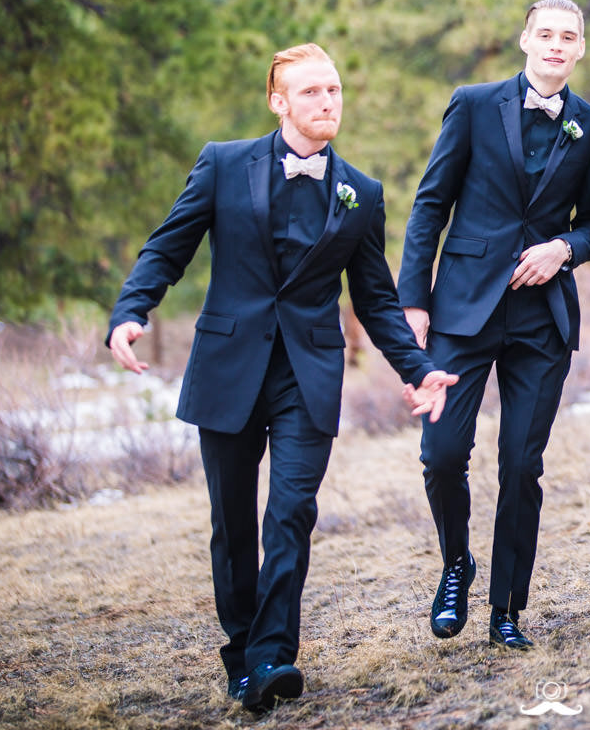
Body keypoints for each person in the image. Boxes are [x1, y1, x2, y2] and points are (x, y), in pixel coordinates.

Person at [106, 43, 458, 713]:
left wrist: (419, 369)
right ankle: (241, 657)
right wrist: (131, 311)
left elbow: (377, 300)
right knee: (233, 523)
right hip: (227, 368)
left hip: (309, 372)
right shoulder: (222, 164)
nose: (328, 102)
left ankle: (273, 656)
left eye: (335, 90)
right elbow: (168, 246)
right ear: (278, 101)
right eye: (312, 92)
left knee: (291, 513)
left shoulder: (363, 192)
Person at [398, 0, 590, 650]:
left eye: (567, 37)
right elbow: (430, 204)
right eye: (545, 33)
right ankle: (456, 564)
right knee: (442, 454)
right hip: (462, 309)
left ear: (579, 49)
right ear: (524, 39)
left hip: (541, 323)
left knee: (521, 465)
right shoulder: (472, 104)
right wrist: (415, 301)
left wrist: (564, 249)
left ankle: (506, 612)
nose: (554, 45)